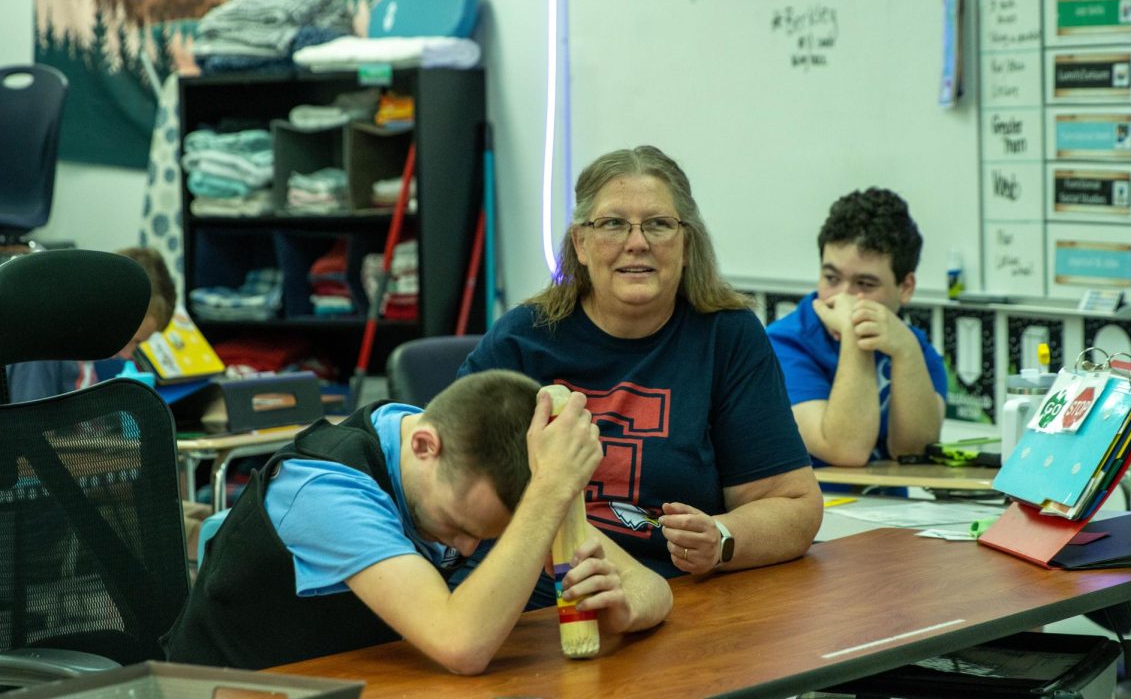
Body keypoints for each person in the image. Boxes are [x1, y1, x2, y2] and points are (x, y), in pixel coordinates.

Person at [453, 145, 822, 602]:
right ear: (580, 245)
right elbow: (450, 481)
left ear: (687, 244)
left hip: (671, 601)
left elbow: (794, 505)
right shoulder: (522, 338)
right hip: (533, 598)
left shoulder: (727, 337)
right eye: (612, 223)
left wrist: (722, 538)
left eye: (659, 224)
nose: (637, 242)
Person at [162, 369, 672, 673]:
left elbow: (653, 586)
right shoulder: (322, 489)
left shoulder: (463, 466)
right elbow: (461, 645)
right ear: (424, 446)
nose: (467, 551)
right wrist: (548, 495)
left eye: (486, 535)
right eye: (457, 527)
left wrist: (622, 609)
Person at [766, 188, 947, 469]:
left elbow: (914, 453)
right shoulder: (782, 344)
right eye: (831, 278)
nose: (843, 298)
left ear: (906, 287)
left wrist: (907, 352)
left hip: (889, 509)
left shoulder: (912, 346)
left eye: (865, 284)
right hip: (815, 507)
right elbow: (844, 450)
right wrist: (854, 335)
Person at [4, 246, 176, 402]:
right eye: (131, 340)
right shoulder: (41, 354)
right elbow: (31, 431)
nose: (127, 355)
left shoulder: (85, 355)